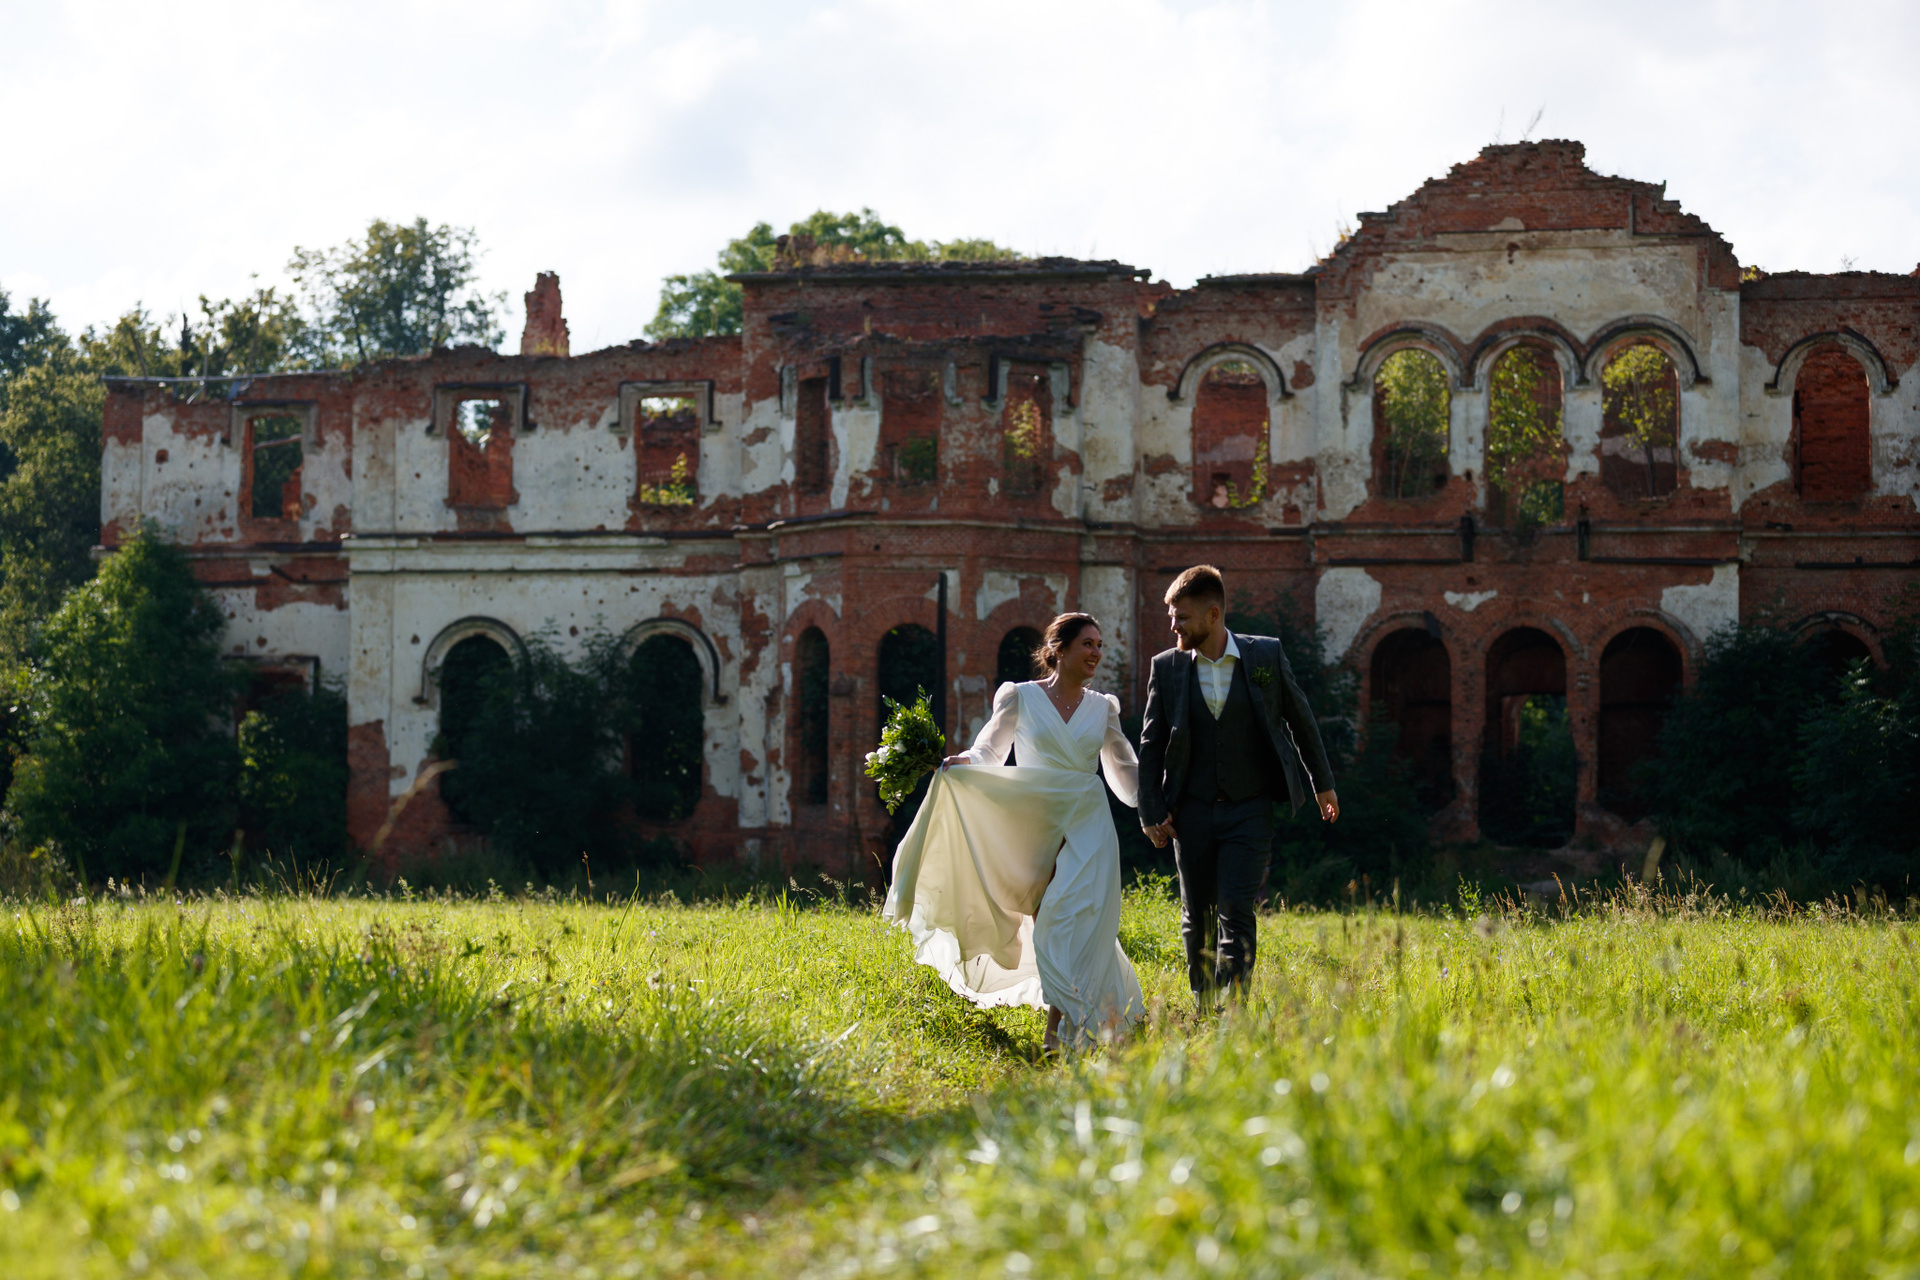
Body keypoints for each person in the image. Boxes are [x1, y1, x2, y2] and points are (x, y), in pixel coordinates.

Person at [881, 612, 1145, 1054]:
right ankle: (1080, 1020)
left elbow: (1124, 768)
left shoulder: (1104, 708)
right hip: (1033, 823)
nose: (1097, 653)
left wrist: (1158, 800)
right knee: (1048, 926)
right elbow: (990, 749)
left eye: (1100, 645)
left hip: (1087, 824)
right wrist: (966, 763)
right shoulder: (1020, 697)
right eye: (1088, 644)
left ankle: (1056, 1035)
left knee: (1066, 922)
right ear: (1058, 649)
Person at [1136, 565, 1339, 1012]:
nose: (1173, 626)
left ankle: (1235, 1005)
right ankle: (1203, 1002)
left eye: (1182, 617)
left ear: (1213, 615)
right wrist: (1149, 809)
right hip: (1190, 810)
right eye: (1172, 617)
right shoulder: (1167, 667)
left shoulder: (1264, 655)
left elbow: (1300, 718)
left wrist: (1322, 783)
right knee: (1198, 913)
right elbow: (1151, 743)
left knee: (1237, 909)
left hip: (1250, 807)